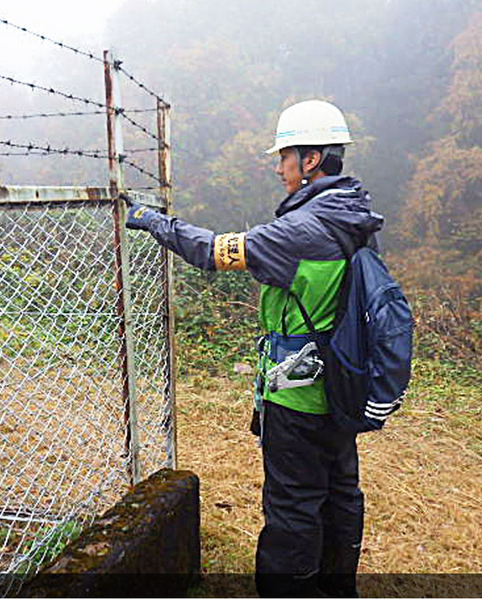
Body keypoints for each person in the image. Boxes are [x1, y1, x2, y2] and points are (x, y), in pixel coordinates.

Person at [125, 99, 384, 597]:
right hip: (343, 385)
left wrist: (156, 222)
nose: (278, 166)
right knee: (340, 495)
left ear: (310, 159)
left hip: (298, 398)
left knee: (293, 507)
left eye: (284, 155)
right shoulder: (354, 217)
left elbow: (212, 251)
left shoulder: (301, 229)